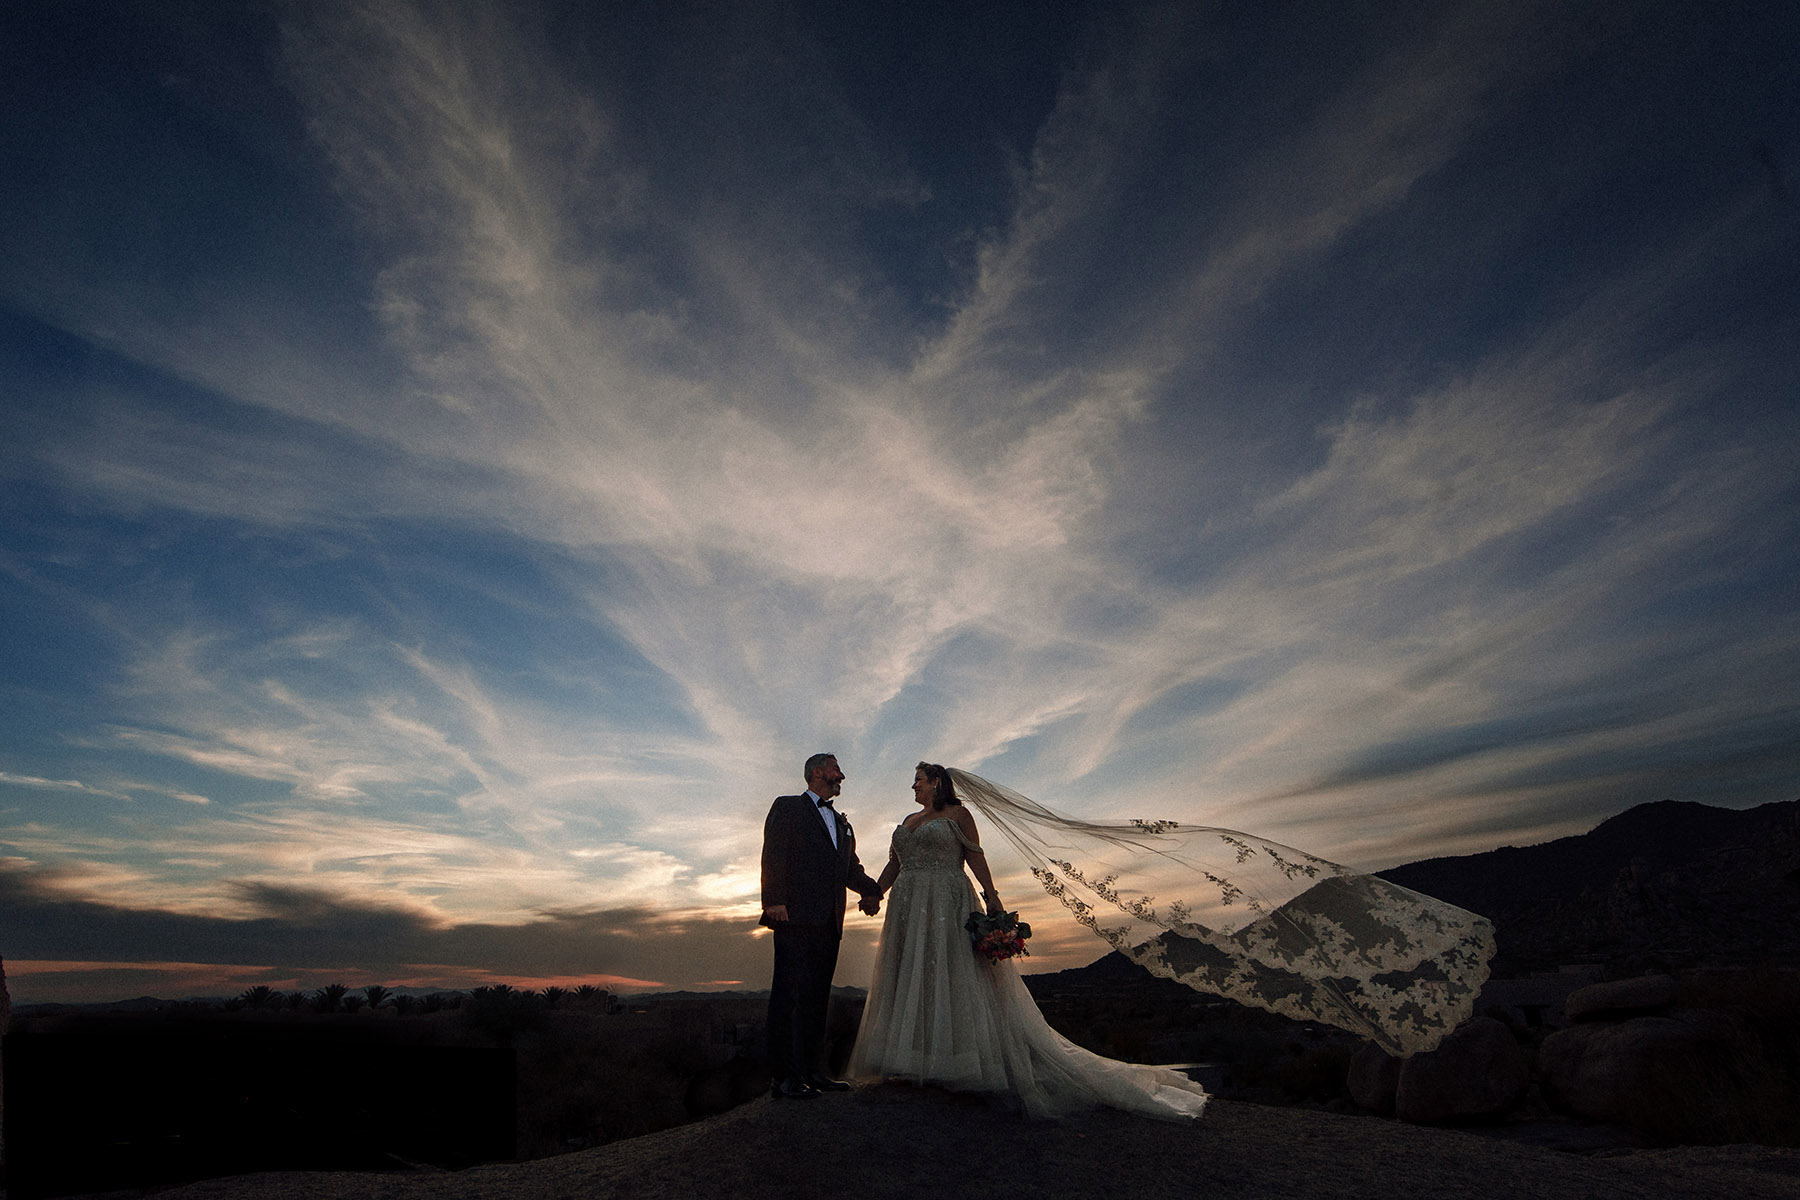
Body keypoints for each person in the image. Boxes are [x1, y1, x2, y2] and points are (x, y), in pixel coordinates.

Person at [845, 762, 1210, 1119]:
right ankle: (914, 1059)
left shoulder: (959, 815)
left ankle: (957, 1062)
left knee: (953, 975)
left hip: (946, 901)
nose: (914, 787)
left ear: (937, 783)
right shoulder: (908, 823)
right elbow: (895, 865)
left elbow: (975, 857)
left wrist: (992, 898)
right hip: (908, 906)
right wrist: (874, 892)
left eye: (919, 780)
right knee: (914, 974)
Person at [761, 752, 883, 1099]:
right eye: (835, 769)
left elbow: (849, 871)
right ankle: (784, 1077)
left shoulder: (843, 825)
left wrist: (874, 891)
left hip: (830, 922)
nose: (841, 775)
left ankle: (814, 1072)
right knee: (789, 997)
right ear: (817, 772)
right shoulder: (787, 807)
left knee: (817, 998)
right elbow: (773, 853)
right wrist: (774, 901)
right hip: (794, 917)